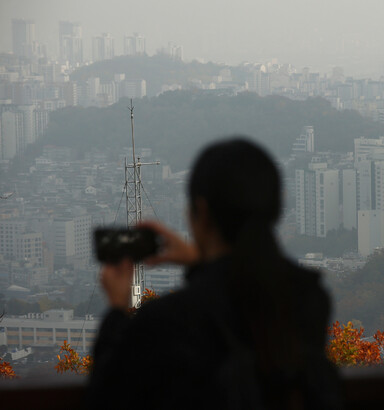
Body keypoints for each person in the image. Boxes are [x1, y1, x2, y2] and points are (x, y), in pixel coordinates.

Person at [86, 138, 340, 410]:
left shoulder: (168, 321)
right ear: (275, 209)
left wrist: (116, 310)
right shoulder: (309, 299)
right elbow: (239, 302)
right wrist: (201, 262)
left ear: (202, 212)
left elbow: (103, 397)